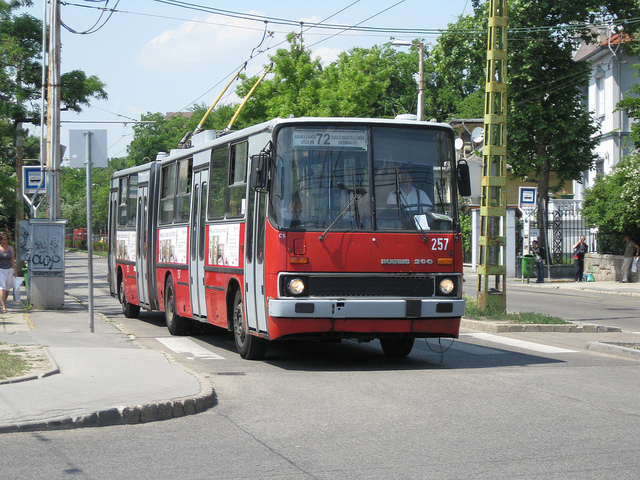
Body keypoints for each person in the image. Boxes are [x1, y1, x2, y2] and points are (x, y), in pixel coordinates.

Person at [0, 232, 17, 314]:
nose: (3, 241)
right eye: (2, 240)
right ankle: (3, 306)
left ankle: (3, 302)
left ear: (7, 240)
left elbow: (12, 260)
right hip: (1, 270)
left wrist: (15, 271)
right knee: (2, 287)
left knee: (7, 288)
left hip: (9, 269)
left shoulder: (10, 248)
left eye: (5, 240)